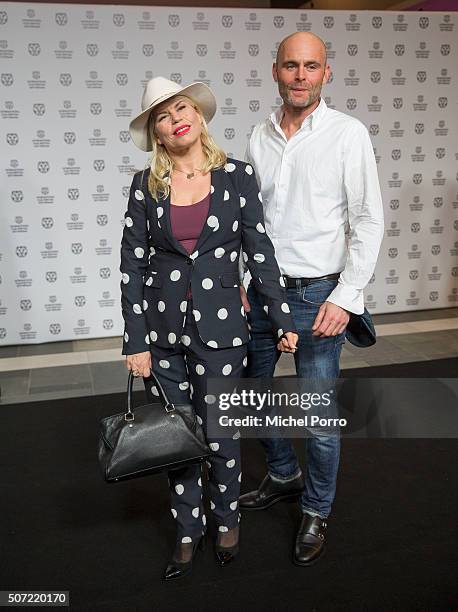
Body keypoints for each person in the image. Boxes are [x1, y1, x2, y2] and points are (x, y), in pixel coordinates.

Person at [120, 76, 298, 580]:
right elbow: (131, 264)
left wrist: (281, 318)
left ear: (198, 117)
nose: (174, 118)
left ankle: (226, 520)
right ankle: (185, 530)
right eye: (162, 115)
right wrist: (135, 341)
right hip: (162, 332)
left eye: (181, 108)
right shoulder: (145, 186)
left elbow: (260, 253)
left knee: (221, 433)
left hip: (224, 331)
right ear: (157, 134)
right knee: (179, 436)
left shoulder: (237, 177)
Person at [239, 32, 384, 566]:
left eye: (311, 66)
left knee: (319, 419)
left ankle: (317, 509)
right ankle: (282, 474)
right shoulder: (257, 137)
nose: (301, 75)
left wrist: (346, 297)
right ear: (275, 71)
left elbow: (368, 220)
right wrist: (241, 276)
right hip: (262, 290)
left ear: (327, 72)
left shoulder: (348, 135)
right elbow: (249, 223)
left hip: (320, 293)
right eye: (291, 66)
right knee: (248, 402)